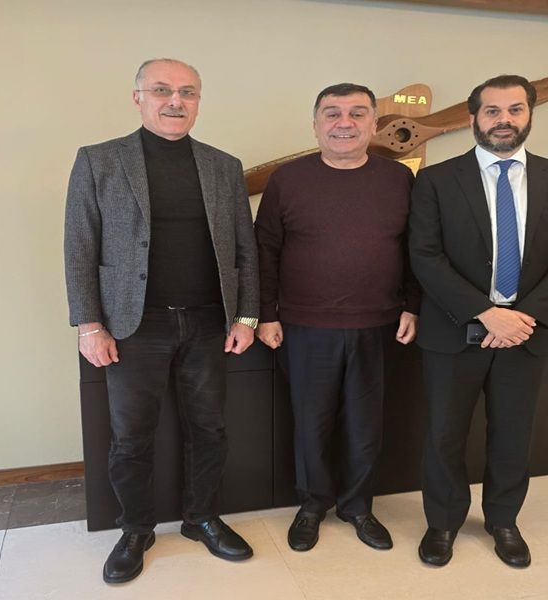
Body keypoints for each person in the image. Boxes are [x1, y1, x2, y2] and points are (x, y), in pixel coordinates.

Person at [63, 58, 259, 584]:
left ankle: (201, 518)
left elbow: (245, 248)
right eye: (162, 90)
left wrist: (246, 314)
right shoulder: (99, 160)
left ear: (198, 101)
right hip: (132, 326)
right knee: (131, 437)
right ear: (138, 98)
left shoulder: (223, 166)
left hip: (208, 321)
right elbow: (79, 246)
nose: (176, 101)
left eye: (188, 92)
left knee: (210, 428)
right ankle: (135, 530)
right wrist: (88, 324)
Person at [409, 74, 548, 568]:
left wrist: (522, 317)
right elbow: (424, 255)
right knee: (443, 434)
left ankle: (503, 521)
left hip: (525, 335)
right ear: (474, 118)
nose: (503, 120)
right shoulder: (435, 180)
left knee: (513, 434)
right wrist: (486, 313)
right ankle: (442, 522)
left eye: (515, 109)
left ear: (530, 114)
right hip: (454, 330)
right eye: (492, 111)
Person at [254, 83, 420, 553]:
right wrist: (265, 314)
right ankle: (312, 506)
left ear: (374, 124)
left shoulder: (400, 179)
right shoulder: (288, 180)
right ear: (315, 125)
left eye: (357, 113)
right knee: (312, 424)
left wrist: (413, 305)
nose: (344, 123)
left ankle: (358, 506)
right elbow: (264, 251)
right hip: (304, 326)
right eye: (332, 113)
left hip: (379, 324)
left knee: (366, 425)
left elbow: (417, 249)